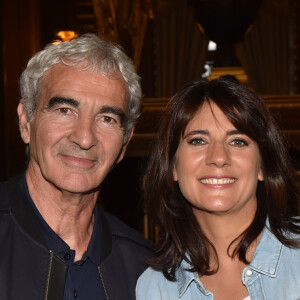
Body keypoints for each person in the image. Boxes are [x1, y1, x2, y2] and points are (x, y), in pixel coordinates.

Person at [0, 33, 152, 300]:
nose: (84, 138)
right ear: (26, 121)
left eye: (106, 118)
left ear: (125, 142)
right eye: (64, 110)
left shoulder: (146, 270)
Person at [136, 78, 300, 299]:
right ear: (173, 166)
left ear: (262, 165)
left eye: (237, 141)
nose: (219, 157)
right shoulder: (154, 289)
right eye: (198, 141)